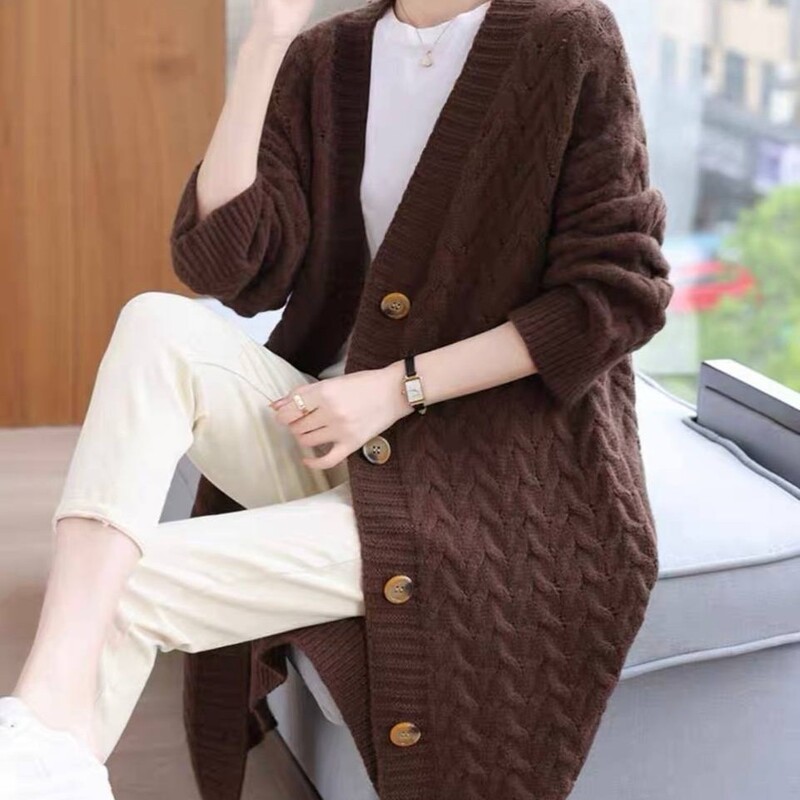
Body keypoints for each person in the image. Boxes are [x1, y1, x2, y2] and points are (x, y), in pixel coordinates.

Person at [0, 0, 673, 797]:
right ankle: (40, 741)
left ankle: (35, 750)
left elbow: (615, 295)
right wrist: (266, 43)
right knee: (153, 323)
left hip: (491, 482)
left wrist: (399, 388)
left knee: (117, 587)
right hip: (335, 437)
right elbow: (227, 266)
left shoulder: (567, 37)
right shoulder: (327, 55)